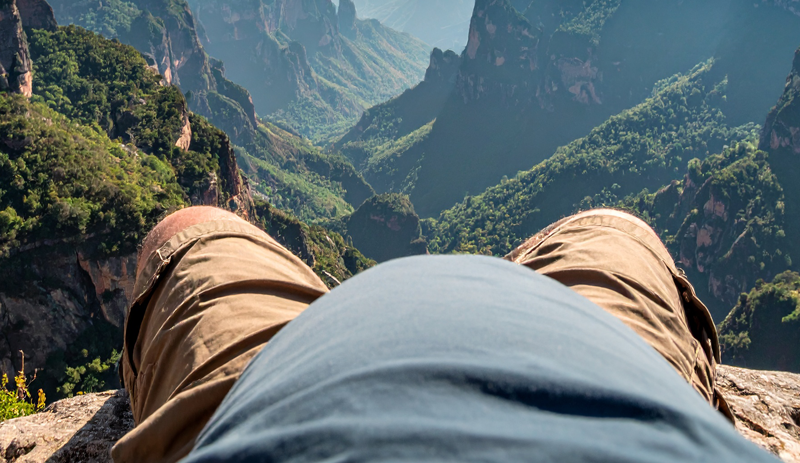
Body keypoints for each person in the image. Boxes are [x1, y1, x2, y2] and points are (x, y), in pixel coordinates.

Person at [112, 205, 772, 463]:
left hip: (271, 386)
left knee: (188, 230)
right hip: (609, 360)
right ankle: (513, 279)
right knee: (613, 228)